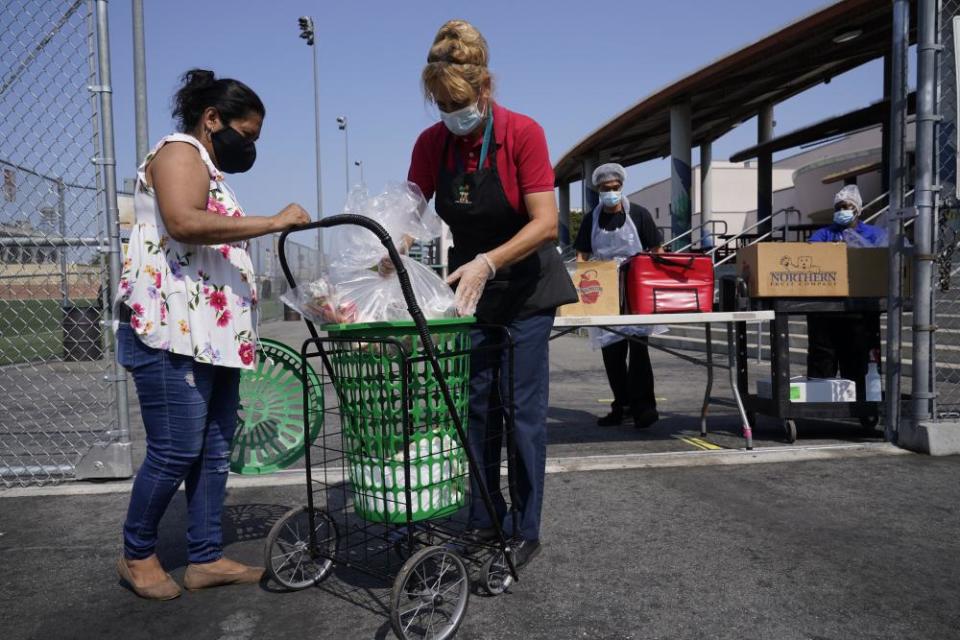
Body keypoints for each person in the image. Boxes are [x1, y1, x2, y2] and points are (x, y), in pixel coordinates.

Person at [114, 69, 310, 600]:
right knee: (176, 450)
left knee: (214, 448)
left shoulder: (209, 169)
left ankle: (204, 558)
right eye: (245, 136)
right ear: (211, 119)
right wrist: (272, 222)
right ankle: (137, 554)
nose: (249, 148)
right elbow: (184, 222)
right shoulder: (179, 152)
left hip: (210, 337)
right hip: (168, 334)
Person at [406, 20, 577, 568]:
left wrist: (488, 260)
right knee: (477, 407)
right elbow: (409, 208)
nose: (452, 118)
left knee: (520, 409)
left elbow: (546, 223)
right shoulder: (433, 143)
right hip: (470, 293)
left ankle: (526, 526)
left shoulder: (522, 133)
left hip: (525, 286)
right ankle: (484, 517)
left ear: (484, 90)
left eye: (458, 103)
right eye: (440, 105)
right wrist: (392, 244)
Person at [573, 163, 664, 429]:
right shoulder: (592, 219)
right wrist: (583, 281)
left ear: (621, 187)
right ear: (598, 190)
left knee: (639, 351)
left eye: (614, 188)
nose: (610, 193)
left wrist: (653, 278)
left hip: (636, 289)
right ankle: (621, 406)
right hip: (605, 289)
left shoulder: (639, 214)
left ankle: (645, 408)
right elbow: (582, 254)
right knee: (612, 353)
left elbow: (656, 248)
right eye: (605, 189)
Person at [807, 184, 883, 395]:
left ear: (858, 209)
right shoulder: (824, 234)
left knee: (858, 356)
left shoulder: (872, 234)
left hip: (860, 306)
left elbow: (879, 257)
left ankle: (861, 400)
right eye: (839, 207)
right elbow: (811, 254)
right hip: (825, 305)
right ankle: (819, 398)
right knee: (823, 355)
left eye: (847, 206)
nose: (842, 211)